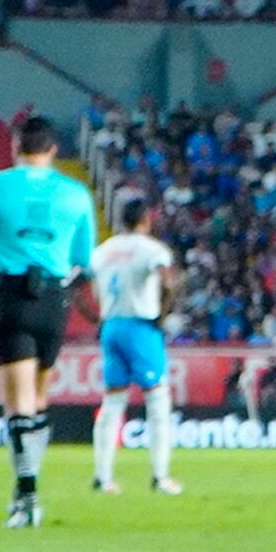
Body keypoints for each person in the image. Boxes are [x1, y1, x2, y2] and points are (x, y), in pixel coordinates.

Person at [0, 117, 99, 529]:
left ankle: (27, 497)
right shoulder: (76, 193)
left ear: (15, 147)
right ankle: (29, 491)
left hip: (11, 297)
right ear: (54, 149)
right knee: (38, 400)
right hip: (54, 299)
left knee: (16, 402)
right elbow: (84, 259)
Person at [87, 193, 182, 497]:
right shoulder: (152, 249)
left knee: (112, 403)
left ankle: (103, 478)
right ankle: (160, 476)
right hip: (141, 327)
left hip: (111, 326)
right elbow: (167, 281)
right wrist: (162, 314)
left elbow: (78, 287)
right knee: (157, 401)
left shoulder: (103, 251)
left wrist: (96, 319)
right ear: (147, 220)